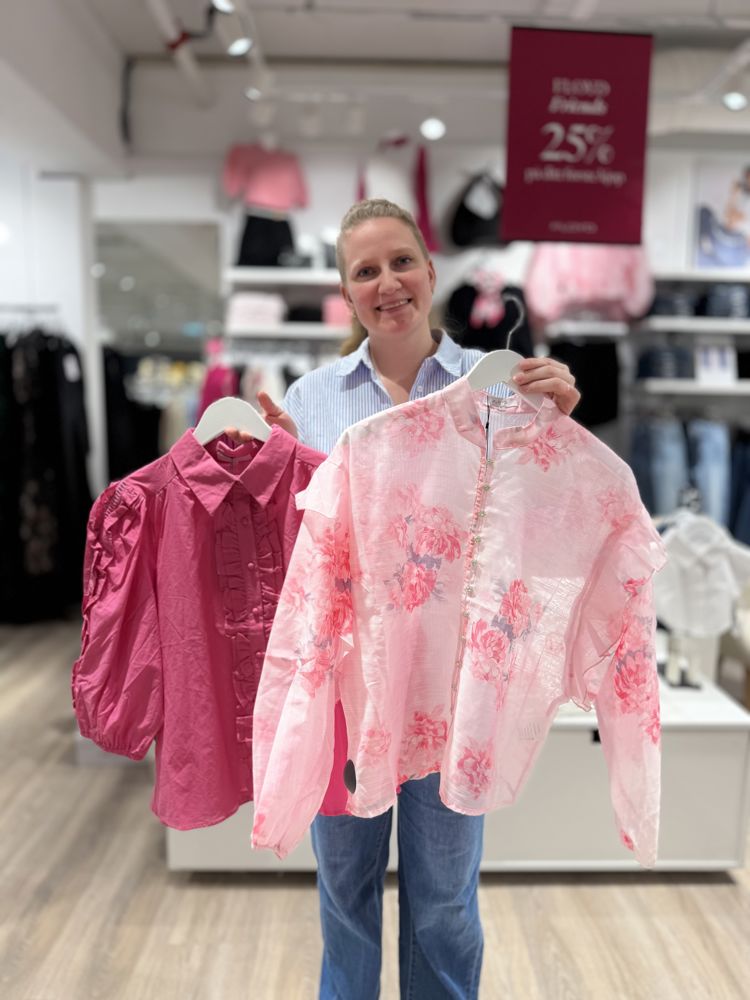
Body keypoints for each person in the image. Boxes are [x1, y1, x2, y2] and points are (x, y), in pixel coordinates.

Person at [229, 198, 579, 1000]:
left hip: (455, 684)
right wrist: (270, 471)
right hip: (346, 687)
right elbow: (300, 548)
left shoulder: (499, 384)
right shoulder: (312, 397)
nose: (387, 283)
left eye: (400, 262)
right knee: (344, 893)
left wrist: (558, 424)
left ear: (429, 268)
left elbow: (537, 519)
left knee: (445, 900)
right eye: (365, 271)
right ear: (345, 292)